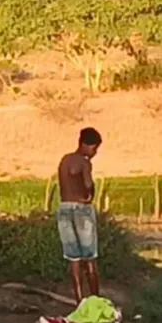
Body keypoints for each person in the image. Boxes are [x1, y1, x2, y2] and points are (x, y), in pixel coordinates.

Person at [57, 127, 103, 304]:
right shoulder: (84, 162)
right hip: (81, 209)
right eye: (94, 148)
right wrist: (91, 195)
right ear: (85, 144)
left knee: (73, 258)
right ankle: (96, 301)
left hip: (64, 209)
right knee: (90, 256)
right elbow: (88, 185)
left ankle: (79, 302)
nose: (94, 153)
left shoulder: (64, 160)